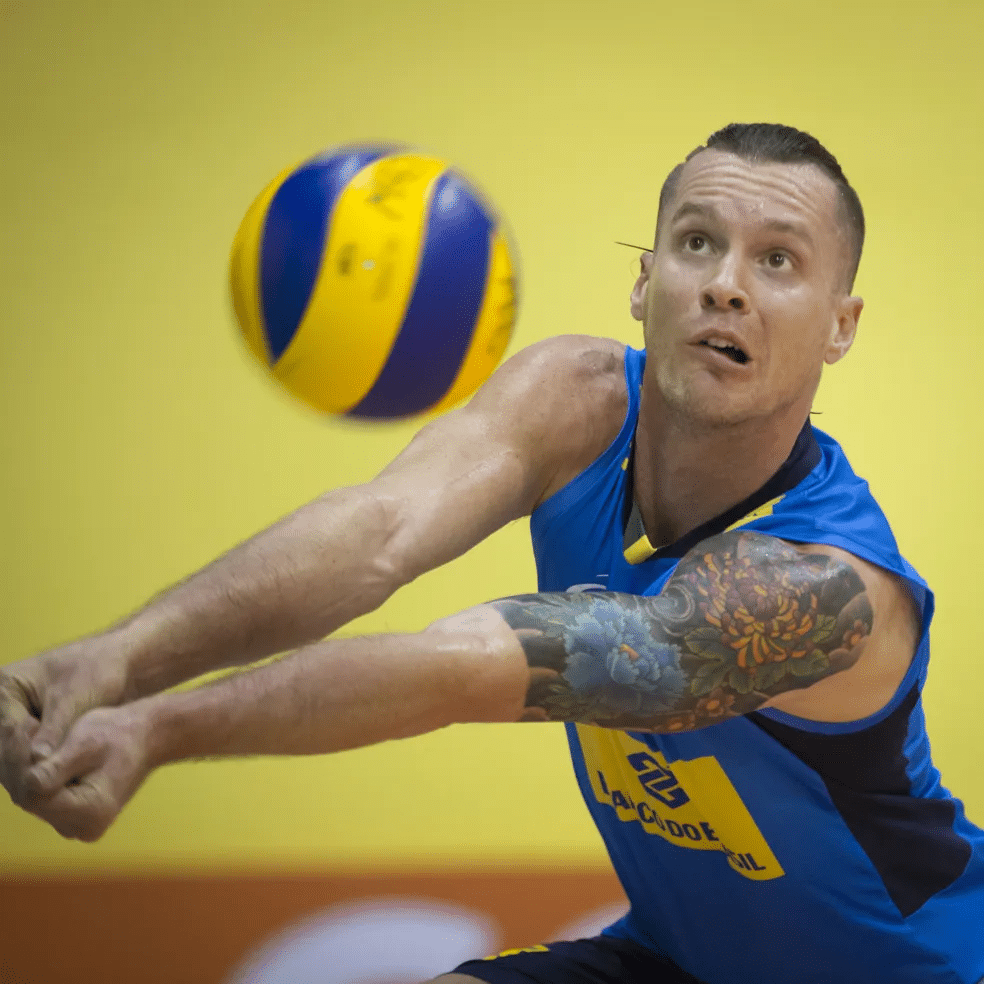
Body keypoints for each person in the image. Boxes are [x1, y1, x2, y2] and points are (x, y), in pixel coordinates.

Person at [1, 123, 982, 983]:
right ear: (645, 282)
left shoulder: (822, 585)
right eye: (697, 243)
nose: (725, 284)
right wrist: (112, 662)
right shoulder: (577, 402)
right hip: (680, 959)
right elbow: (375, 534)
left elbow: (463, 671)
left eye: (777, 261)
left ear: (840, 327)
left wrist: (156, 729)